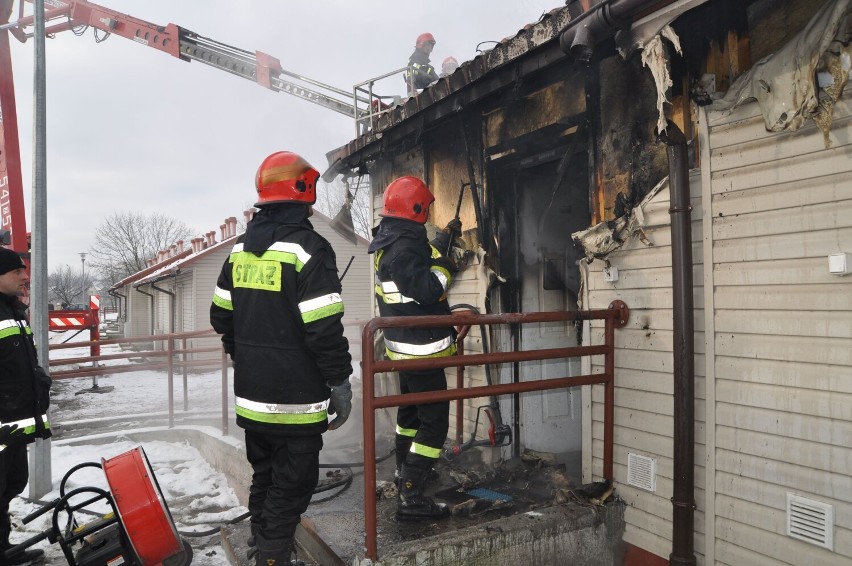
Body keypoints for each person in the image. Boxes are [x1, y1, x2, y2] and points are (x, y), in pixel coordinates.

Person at [210, 151, 353, 565]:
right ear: (303, 190)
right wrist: (340, 381)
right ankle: (272, 556)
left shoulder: (239, 251)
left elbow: (222, 315)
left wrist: (247, 357)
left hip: (253, 396)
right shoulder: (309, 248)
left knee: (267, 475)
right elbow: (324, 328)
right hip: (296, 400)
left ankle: (263, 542)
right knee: (294, 484)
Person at [367, 176, 462, 522]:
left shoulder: (392, 242)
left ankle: (404, 469)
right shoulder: (405, 248)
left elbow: (413, 272)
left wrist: (440, 244)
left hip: (403, 352)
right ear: (417, 208)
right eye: (426, 209)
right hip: (423, 352)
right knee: (434, 423)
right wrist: (446, 266)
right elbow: (428, 287)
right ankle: (411, 494)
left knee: (409, 417)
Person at [0, 247, 50, 565]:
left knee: (12, 483)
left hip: (13, 423)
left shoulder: (13, 310)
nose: (24, 276)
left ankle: (3, 550)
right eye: (17, 271)